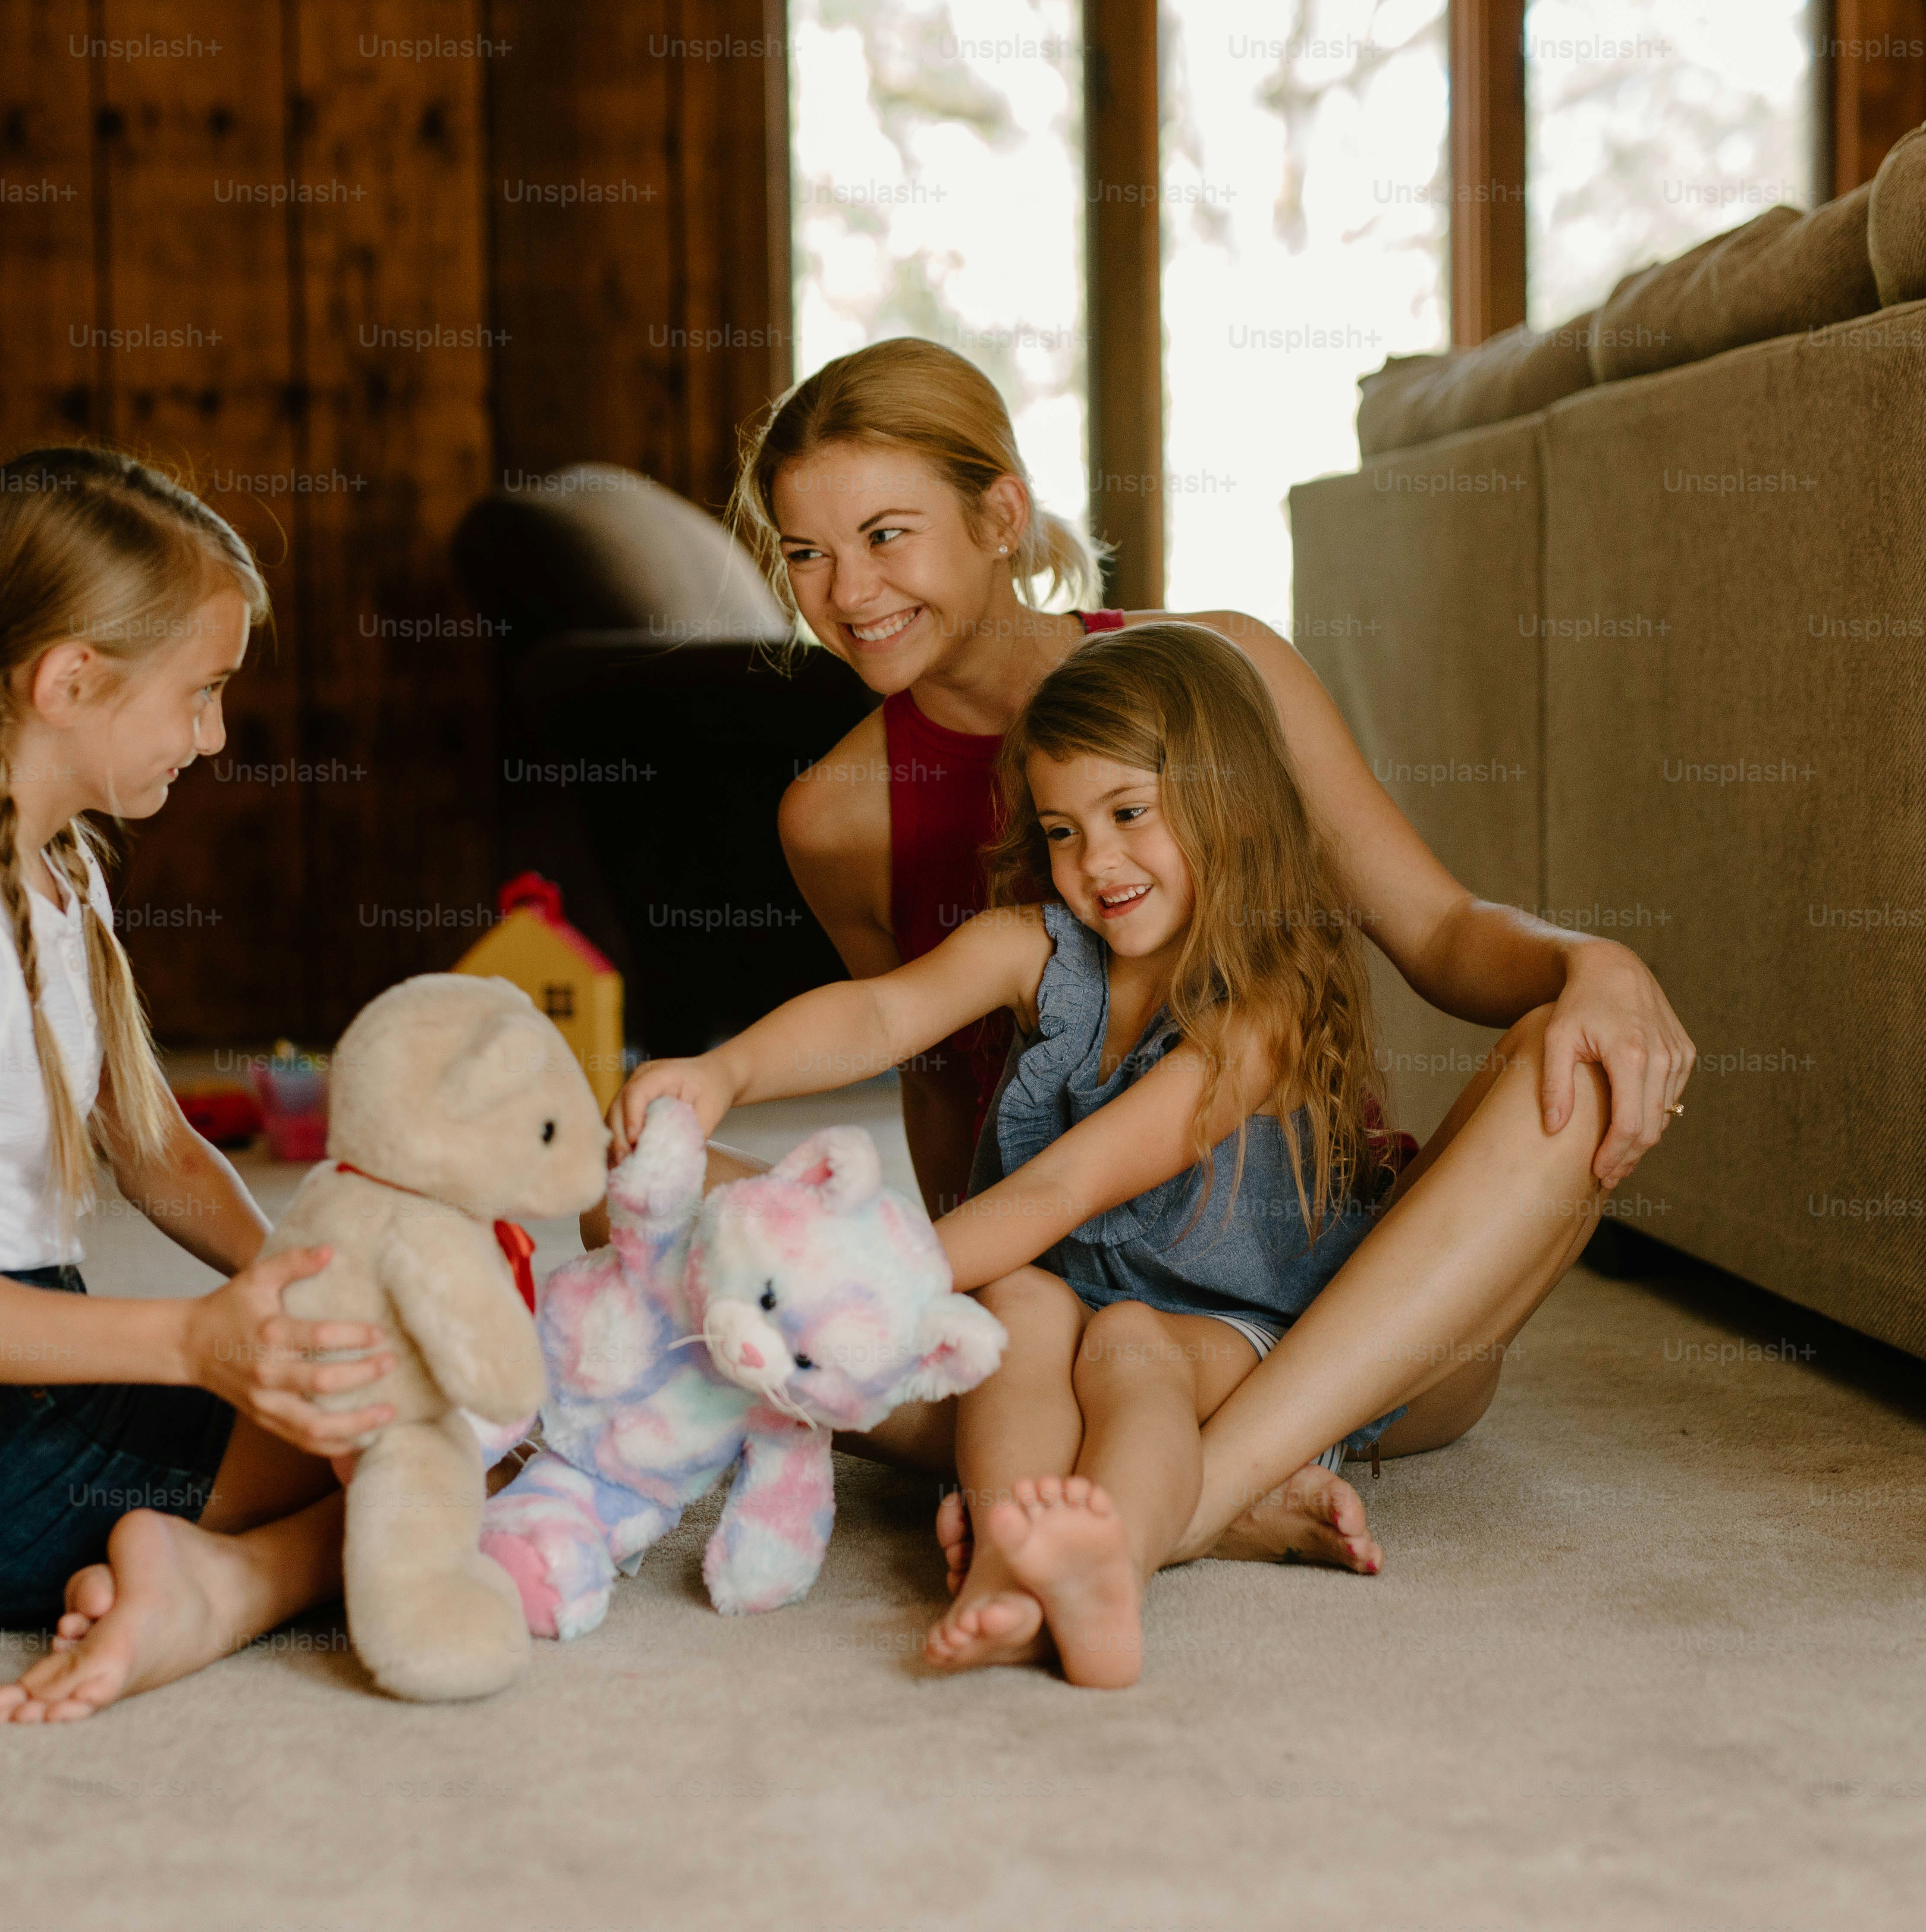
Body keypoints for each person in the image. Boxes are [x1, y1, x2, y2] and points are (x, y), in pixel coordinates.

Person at [691, 337, 1696, 1576]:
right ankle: (1117, 1476)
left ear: (1002, 513)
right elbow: (932, 1087)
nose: (846, 594)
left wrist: (1589, 962)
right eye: (805, 554)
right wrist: (955, 1313)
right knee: (651, 1186)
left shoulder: (1223, 672)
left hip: (1336, 1319)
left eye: (887, 535)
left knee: (1580, 1061)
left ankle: (1193, 1496)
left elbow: (1437, 931)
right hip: (1059, 1319)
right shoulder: (834, 818)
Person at [0, 447, 389, 1723]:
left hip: (11, 1397)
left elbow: (148, 1145)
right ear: (71, 680)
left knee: (411, 1403)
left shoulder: (52, 867)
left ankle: (208, 1575)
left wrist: (290, 1288)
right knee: (428, 1458)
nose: (213, 735)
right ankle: (221, 1595)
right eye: (201, 693)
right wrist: (194, 1345)